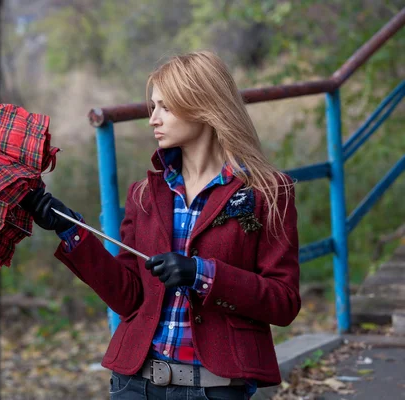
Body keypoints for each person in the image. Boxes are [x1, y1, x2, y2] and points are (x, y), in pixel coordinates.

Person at [20, 51, 301, 400]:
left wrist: (202, 273)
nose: (153, 119)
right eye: (153, 107)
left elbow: (283, 302)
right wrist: (70, 230)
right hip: (134, 385)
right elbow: (129, 298)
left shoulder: (268, 192)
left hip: (214, 390)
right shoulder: (144, 194)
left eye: (165, 107)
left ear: (202, 106)